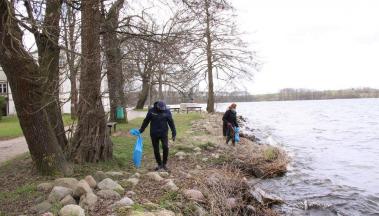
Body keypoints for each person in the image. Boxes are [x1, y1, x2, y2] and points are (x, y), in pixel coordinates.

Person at [139, 101, 176, 171]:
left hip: (163, 133)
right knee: (156, 149)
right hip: (154, 133)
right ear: (157, 107)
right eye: (161, 108)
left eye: (163, 108)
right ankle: (159, 164)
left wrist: (174, 133)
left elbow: (171, 122)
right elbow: (146, 121)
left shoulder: (167, 111)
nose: (162, 109)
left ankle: (164, 164)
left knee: (165, 147)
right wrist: (141, 130)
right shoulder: (151, 111)